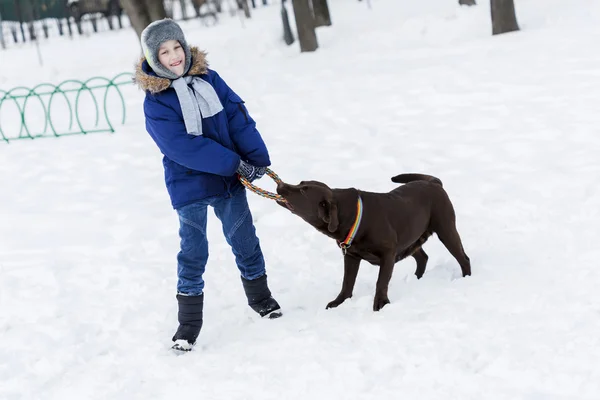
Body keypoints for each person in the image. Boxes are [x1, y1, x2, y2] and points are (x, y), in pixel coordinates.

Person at [134, 18, 282, 352]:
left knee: (244, 238)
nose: (174, 57)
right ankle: (188, 324)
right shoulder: (156, 102)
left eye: (177, 47)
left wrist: (256, 157)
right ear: (154, 58)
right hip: (190, 186)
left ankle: (261, 298)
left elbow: (236, 117)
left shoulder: (209, 79)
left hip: (228, 180)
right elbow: (182, 147)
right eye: (165, 52)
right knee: (194, 251)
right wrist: (234, 162)